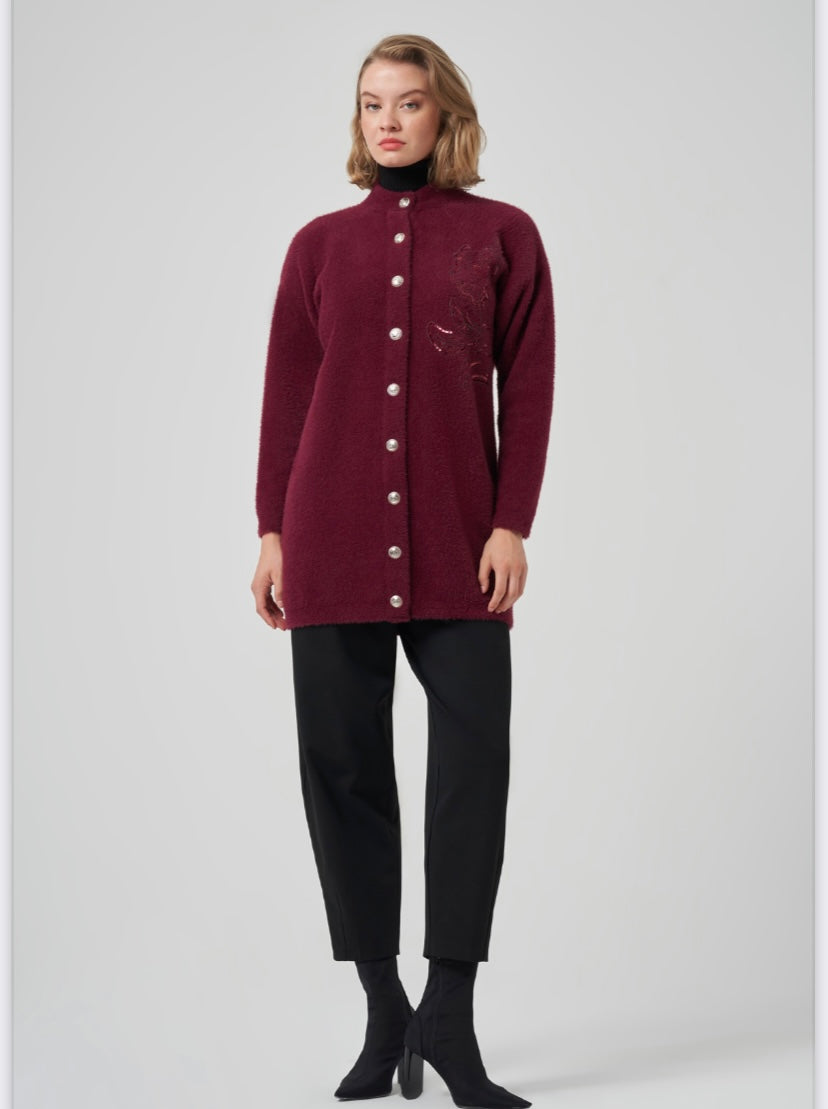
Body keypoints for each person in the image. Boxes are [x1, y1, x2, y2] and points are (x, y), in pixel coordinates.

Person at [251, 33, 555, 1109]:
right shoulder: (318, 246)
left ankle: (451, 1018)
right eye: (372, 102)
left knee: (474, 765)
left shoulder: (503, 236)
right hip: (326, 540)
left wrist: (511, 522)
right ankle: (384, 1009)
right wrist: (271, 530)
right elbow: (289, 394)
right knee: (341, 769)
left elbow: (530, 386)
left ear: (445, 115)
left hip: (462, 547)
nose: (388, 121)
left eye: (410, 102)